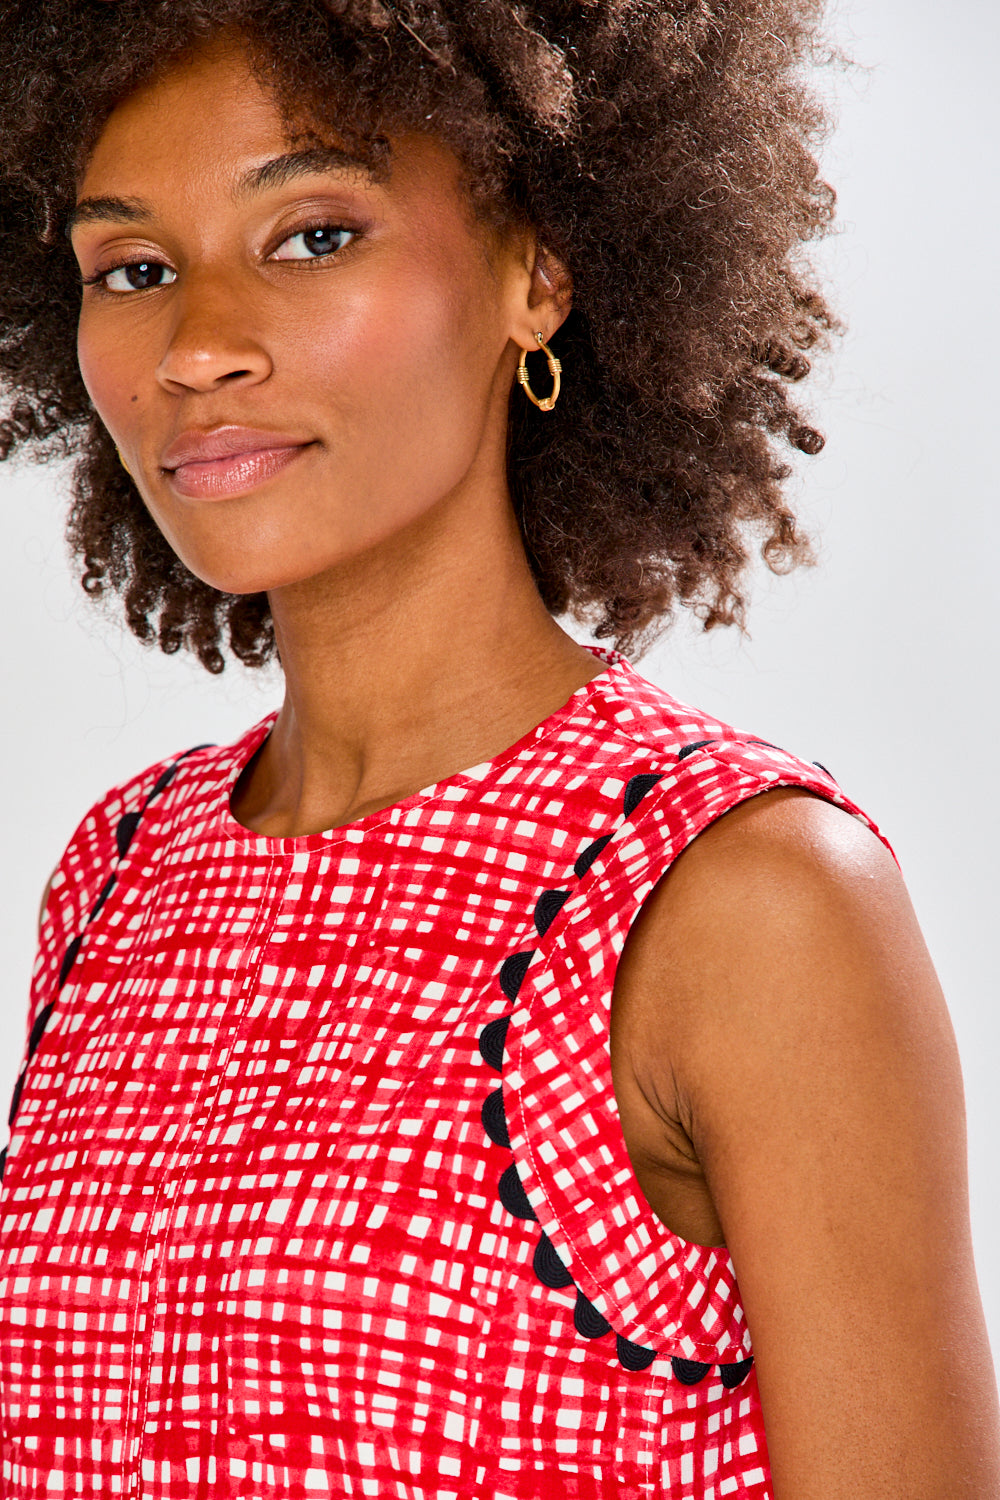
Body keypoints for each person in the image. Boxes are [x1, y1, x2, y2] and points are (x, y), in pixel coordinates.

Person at [0, 3, 996, 1496]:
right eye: (134, 270)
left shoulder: (744, 900)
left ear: (540, 270)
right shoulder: (120, 876)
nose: (197, 346)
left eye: (314, 234)